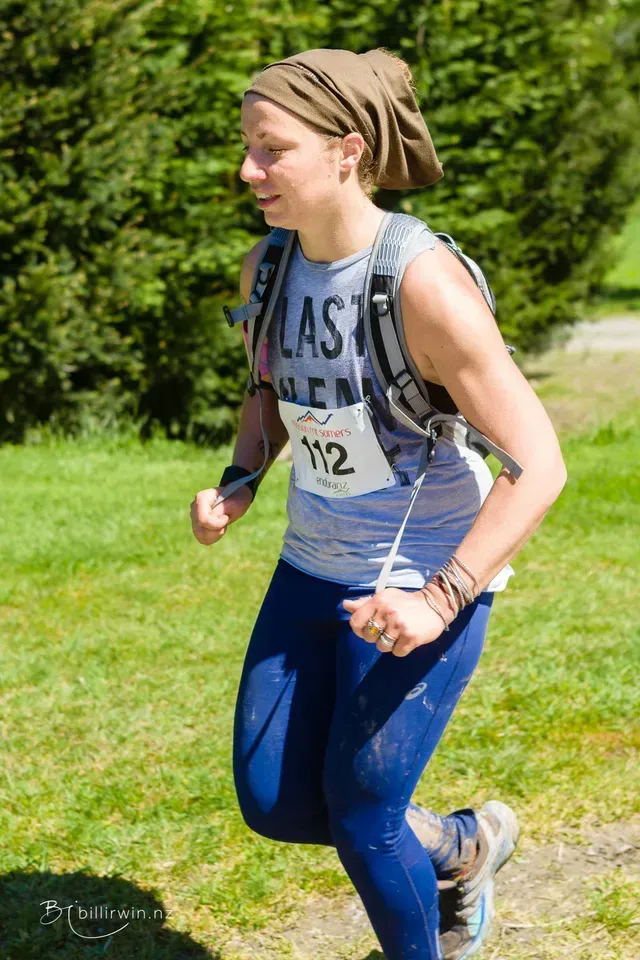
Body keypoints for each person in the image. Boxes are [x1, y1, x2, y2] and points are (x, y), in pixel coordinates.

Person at [191, 48, 567, 960]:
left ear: (348, 150)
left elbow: (541, 461)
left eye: (271, 150)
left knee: (364, 816)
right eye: (247, 147)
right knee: (276, 803)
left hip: (419, 579)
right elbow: (270, 391)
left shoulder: (423, 283)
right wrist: (241, 479)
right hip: (310, 567)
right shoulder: (268, 269)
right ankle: (461, 847)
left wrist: (440, 599)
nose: (249, 170)